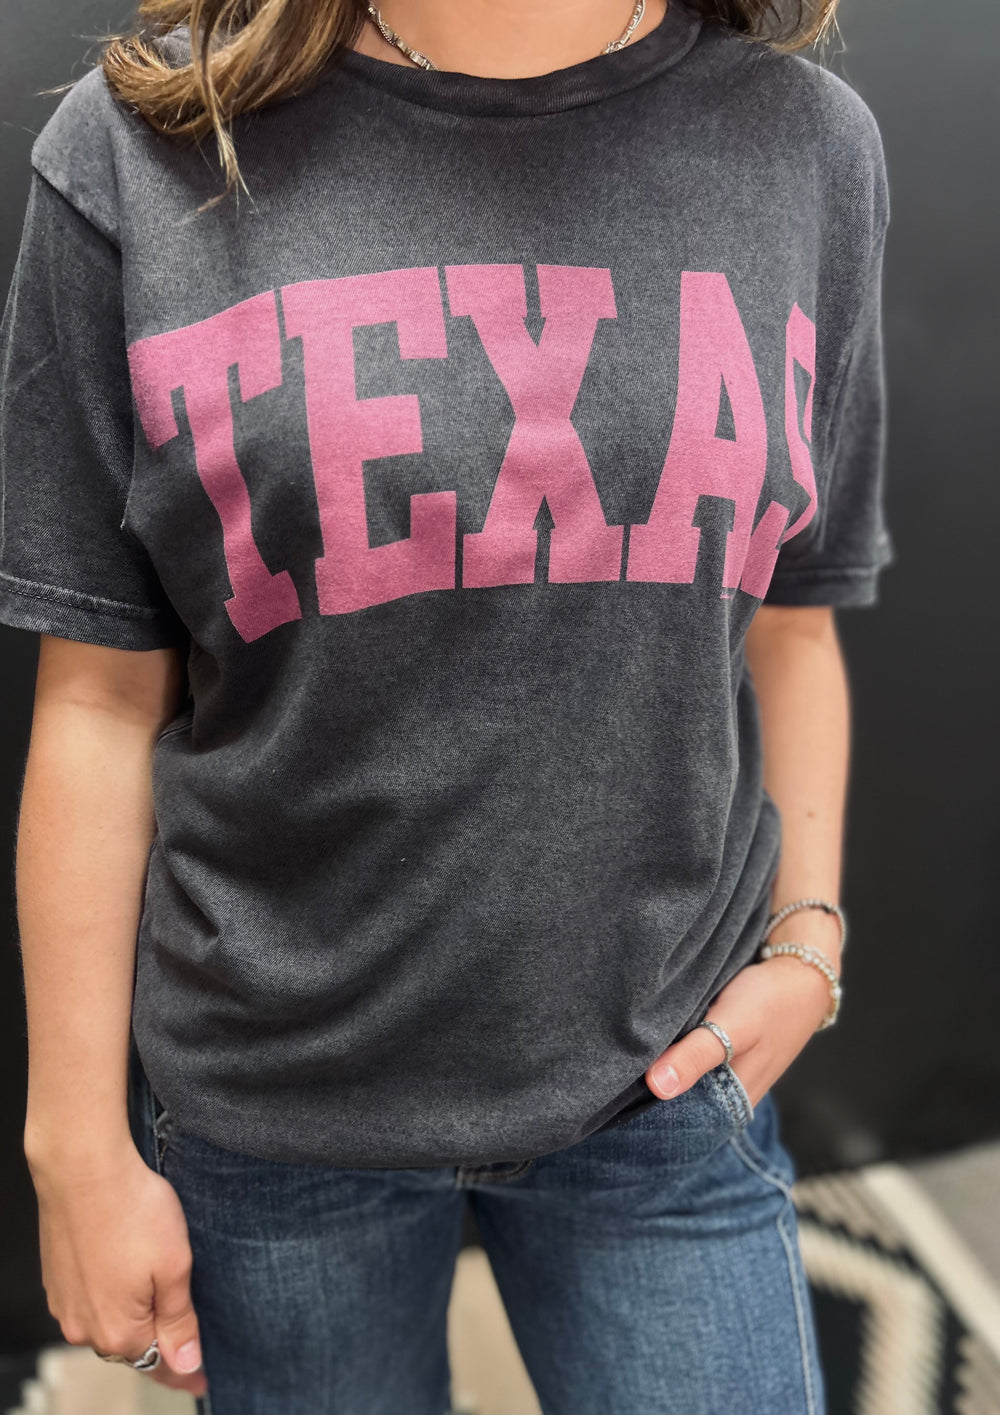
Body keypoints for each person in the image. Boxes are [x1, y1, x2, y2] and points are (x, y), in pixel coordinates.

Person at [1, 0, 894, 1409]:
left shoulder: (804, 146)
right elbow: (101, 695)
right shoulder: (142, 147)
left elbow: (792, 617)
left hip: (662, 1084)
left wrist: (811, 938)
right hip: (279, 1105)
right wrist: (75, 1148)